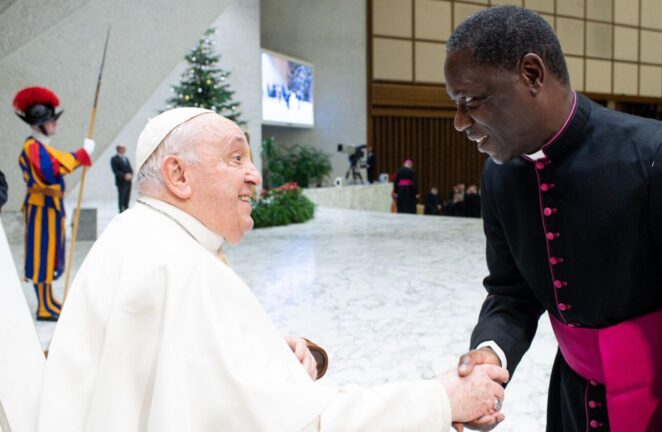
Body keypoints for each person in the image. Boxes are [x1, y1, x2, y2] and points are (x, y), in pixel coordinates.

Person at [37, 108, 508, 432]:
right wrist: (443, 398)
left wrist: (268, 357)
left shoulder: (133, 236)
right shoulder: (184, 269)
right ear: (178, 175)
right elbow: (307, 424)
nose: (255, 174)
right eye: (235, 157)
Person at [444, 6, 662, 431]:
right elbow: (511, 292)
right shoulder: (501, 174)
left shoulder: (660, 160)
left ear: (532, 74)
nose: (459, 122)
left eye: (471, 101)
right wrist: (492, 351)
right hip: (574, 398)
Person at [13, 86, 94, 321]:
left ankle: (49, 300)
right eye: (51, 122)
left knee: (49, 255)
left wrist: (80, 155)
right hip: (41, 208)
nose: (55, 126)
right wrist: (81, 154)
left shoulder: (41, 148)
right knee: (40, 255)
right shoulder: (32, 148)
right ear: (40, 124)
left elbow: (58, 160)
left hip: (50, 208)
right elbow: (51, 171)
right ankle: (44, 306)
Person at [110, 144, 134, 213]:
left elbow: (130, 168)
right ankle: (121, 209)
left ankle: (126, 208)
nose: (124, 150)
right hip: (121, 181)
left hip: (128, 181)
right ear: (119, 149)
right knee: (121, 196)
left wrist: (131, 174)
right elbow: (115, 171)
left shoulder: (126, 158)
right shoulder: (114, 159)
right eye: (122, 148)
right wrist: (124, 176)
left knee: (127, 196)